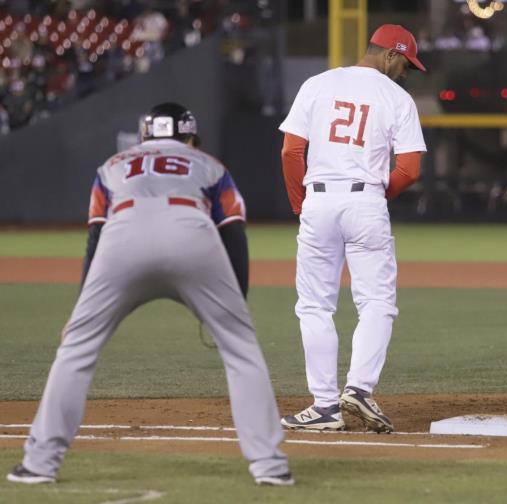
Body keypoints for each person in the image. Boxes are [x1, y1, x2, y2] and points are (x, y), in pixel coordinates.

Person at [6, 103, 293, 486]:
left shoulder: (113, 165)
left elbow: (95, 236)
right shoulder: (208, 165)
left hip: (122, 233)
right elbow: (233, 232)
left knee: (76, 350)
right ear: (189, 137)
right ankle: (269, 467)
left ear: (145, 137)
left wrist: (80, 314)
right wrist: (234, 306)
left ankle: (40, 464)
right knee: (241, 350)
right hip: (191, 230)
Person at [278, 25, 427, 433]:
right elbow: (409, 169)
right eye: (406, 64)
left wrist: (299, 204)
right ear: (390, 55)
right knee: (377, 302)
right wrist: (379, 196)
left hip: (319, 199)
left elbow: (292, 151)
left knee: (314, 305)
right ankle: (359, 389)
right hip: (366, 201)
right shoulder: (397, 97)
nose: (406, 73)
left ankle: (325, 405)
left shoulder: (317, 84)